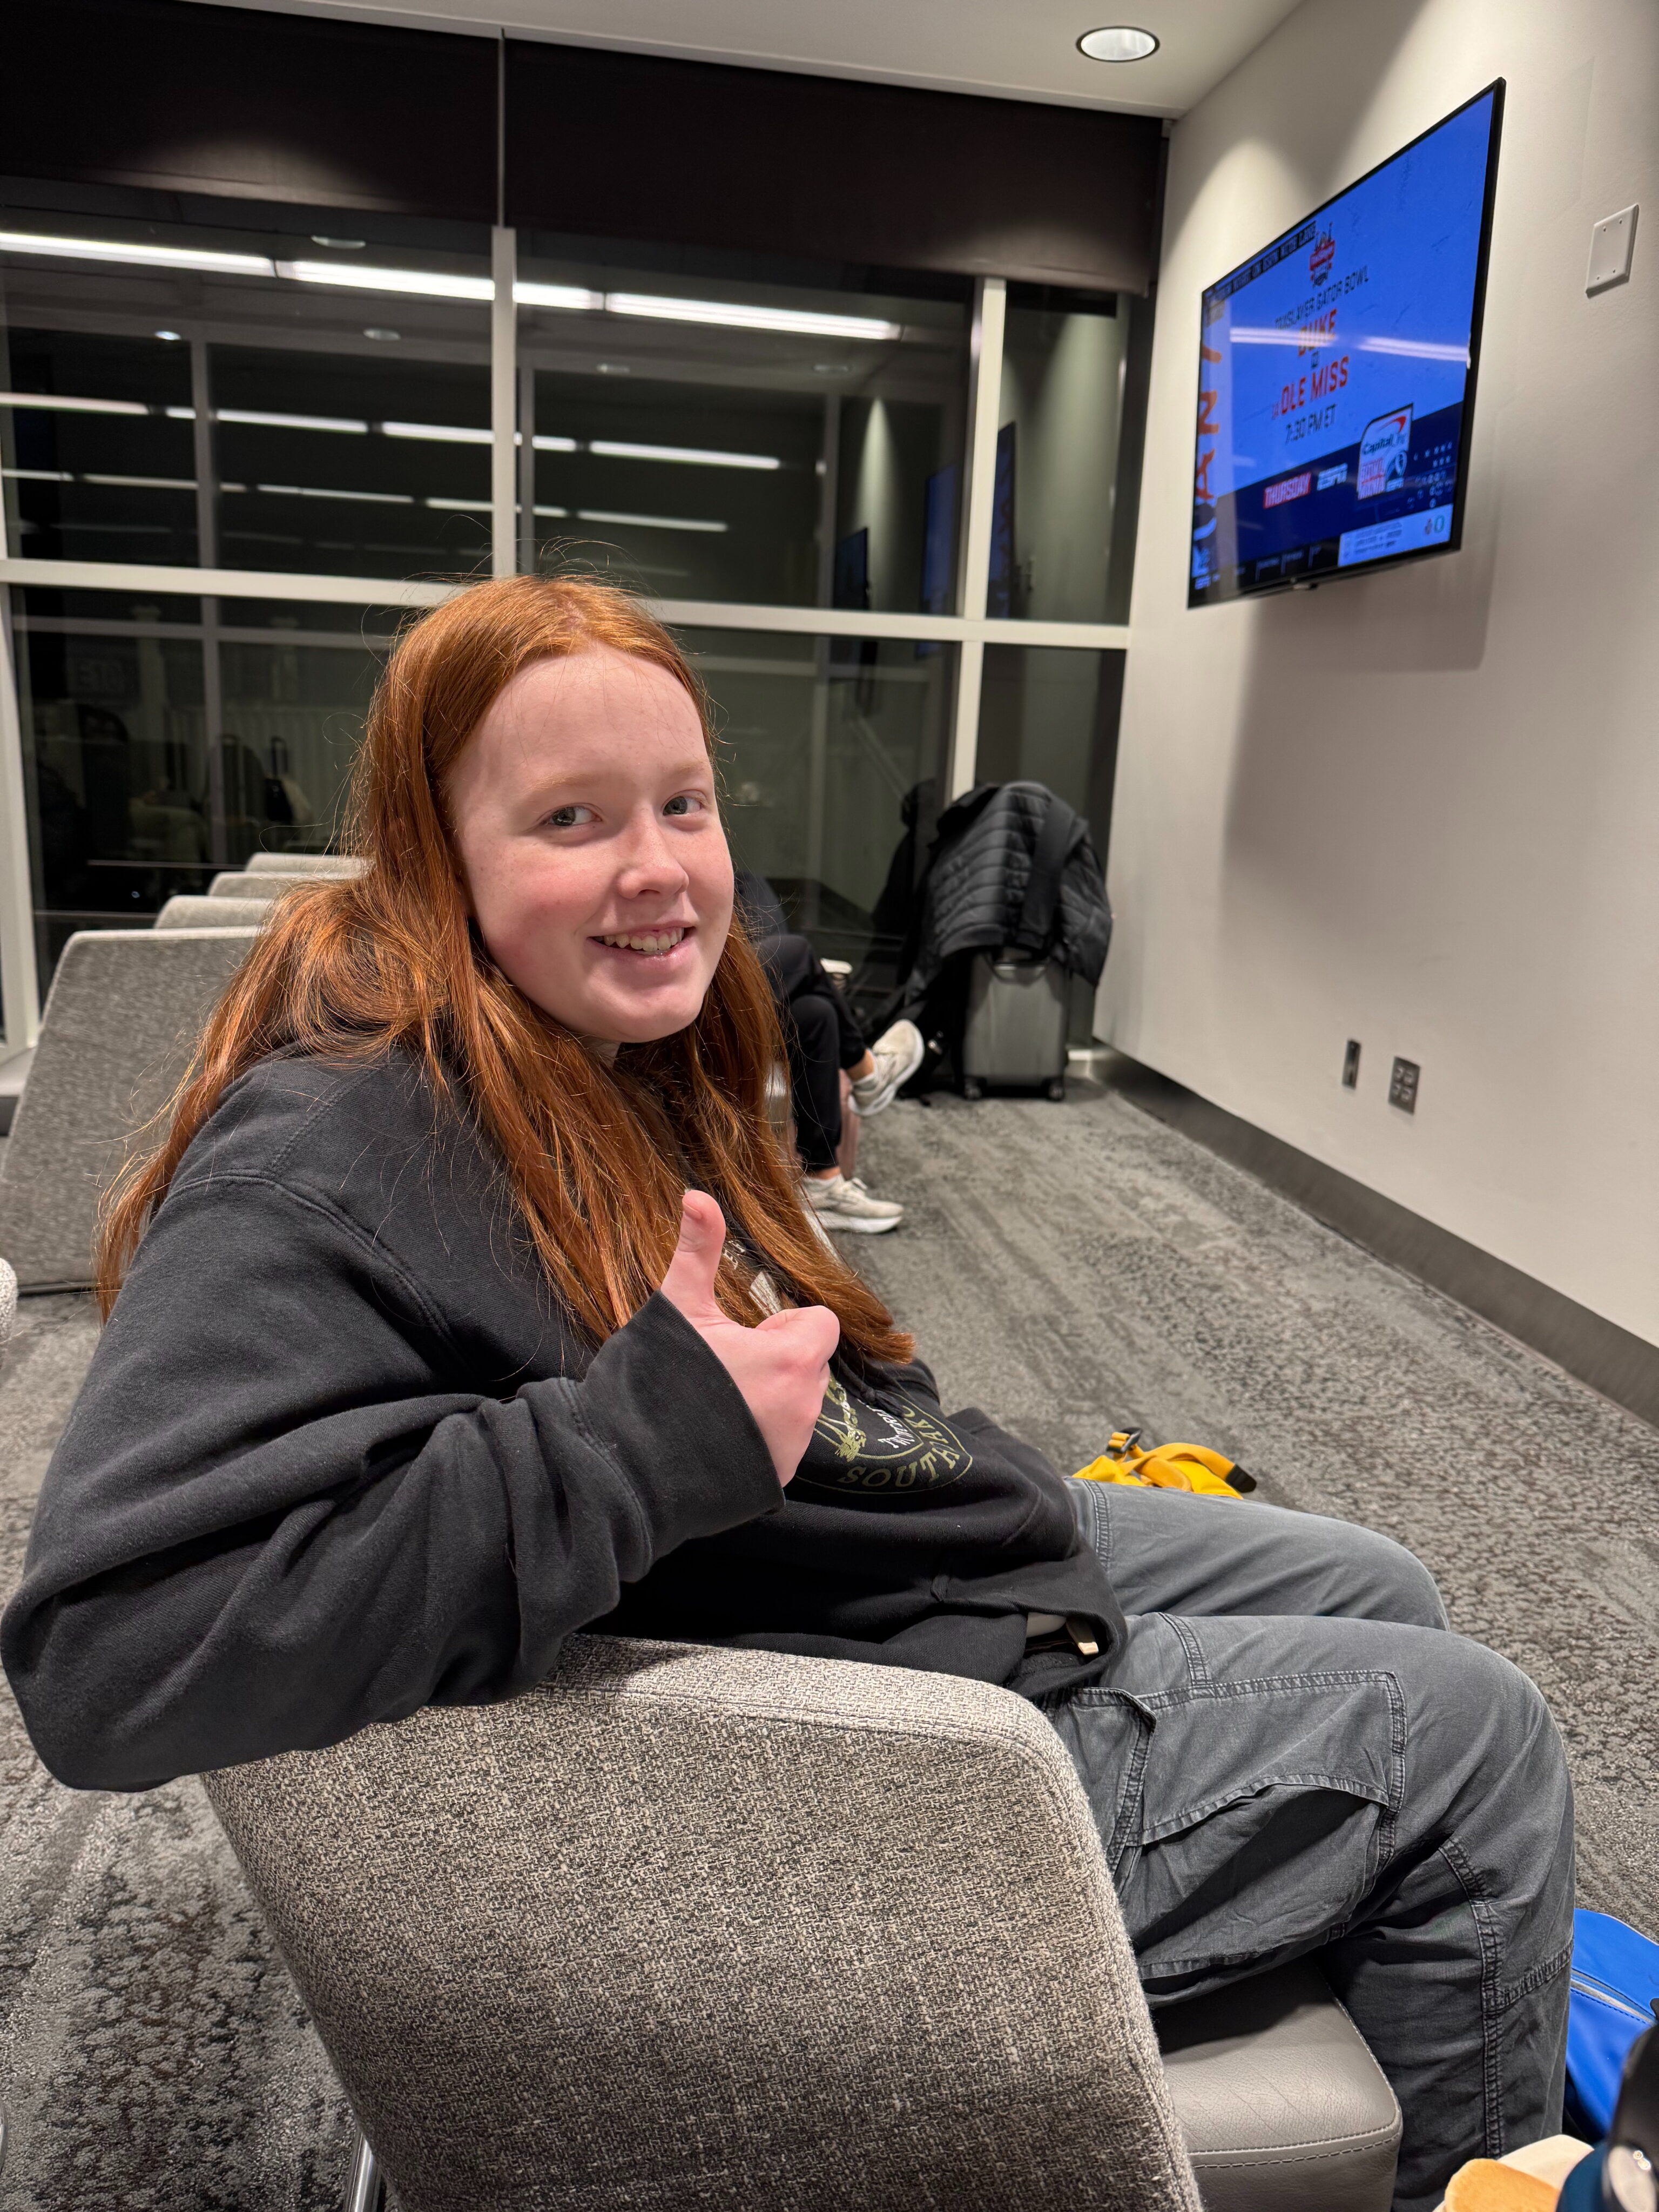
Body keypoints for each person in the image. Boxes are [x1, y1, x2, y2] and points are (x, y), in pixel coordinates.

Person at [0, 578, 1570, 2212]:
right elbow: (108, 1658)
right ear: (433, 856)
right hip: (848, 1762)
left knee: (1375, 1576)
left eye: (682, 805)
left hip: (859, 1550)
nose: (659, 868)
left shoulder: (590, 1050)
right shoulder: (336, 1141)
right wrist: (631, 1449)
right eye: (570, 818)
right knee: (1482, 1741)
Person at [734, 866, 922, 1235]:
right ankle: (867, 1073)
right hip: (702, 1005)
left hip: (732, 989)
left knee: (815, 1014)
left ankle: (822, 1181)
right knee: (799, 953)